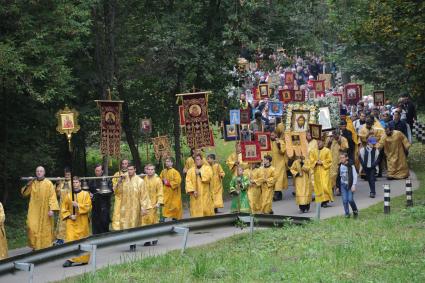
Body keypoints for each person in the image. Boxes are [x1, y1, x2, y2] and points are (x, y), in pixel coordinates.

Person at [21, 166, 59, 250]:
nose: (39, 172)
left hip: (45, 210)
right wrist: (28, 183)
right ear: (35, 173)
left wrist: (52, 209)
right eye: (37, 171)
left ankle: (44, 248)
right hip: (34, 210)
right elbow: (24, 193)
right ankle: (35, 246)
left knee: (45, 229)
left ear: (44, 173)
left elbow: (52, 197)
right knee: (31, 227)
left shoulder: (48, 183)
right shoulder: (33, 183)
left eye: (41, 171)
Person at [62, 177, 92, 267]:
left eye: (76, 182)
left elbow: (89, 206)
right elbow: (63, 209)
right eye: (73, 182)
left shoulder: (85, 194)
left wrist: (78, 205)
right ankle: (70, 259)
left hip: (82, 221)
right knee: (70, 239)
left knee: (83, 239)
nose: (75, 184)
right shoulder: (68, 196)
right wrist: (70, 215)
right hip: (71, 221)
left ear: (80, 183)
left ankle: (84, 259)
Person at [113, 163, 151, 230]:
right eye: (128, 170)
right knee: (123, 225)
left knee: (134, 225)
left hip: (135, 208)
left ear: (135, 170)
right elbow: (118, 193)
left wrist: (143, 207)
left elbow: (144, 196)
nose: (129, 171)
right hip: (124, 207)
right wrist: (119, 182)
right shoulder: (123, 180)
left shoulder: (140, 181)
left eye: (131, 169)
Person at [88, 164, 111, 234]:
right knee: (95, 226)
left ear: (102, 171)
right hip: (95, 206)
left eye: (99, 170)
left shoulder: (107, 180)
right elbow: (88, 190)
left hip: (104, 206)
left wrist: (101, 192)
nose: (97, 172)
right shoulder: (92, 180)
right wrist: (89, 194)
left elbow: (111, 191)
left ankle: (105, 242)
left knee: (104, 225)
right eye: (96, 171)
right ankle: (96, 242)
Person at [310, 140, 333, 207]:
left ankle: (325, 201)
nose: (318, 144)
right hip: (317, 171)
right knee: (318, 187)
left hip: (324, 171)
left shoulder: (327, 150)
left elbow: (330, 160)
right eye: (317, 143)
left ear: (323, 142)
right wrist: (316, 162)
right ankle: (320, 201)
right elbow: (311, 159)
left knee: (325, 186)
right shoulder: (313, 151)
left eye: (320, 142)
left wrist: (322, 162)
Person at [336, 152, 359, 218]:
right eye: (340, 158)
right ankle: (347, 213)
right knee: (345, 200)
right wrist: (337, 186)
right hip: (343, 185)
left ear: (346, 158)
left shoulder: (351, 165)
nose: (341, 159)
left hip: (350, 185)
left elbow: (355, 175)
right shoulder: (340, 165)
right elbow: (338, 176)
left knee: (350, 199)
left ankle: (355, 211)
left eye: (343, 158)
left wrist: (354, 185)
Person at [326, 131, 348, 195]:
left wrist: (339, 142)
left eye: (335, 135)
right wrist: (329, 142)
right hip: (331, 161)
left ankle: (339, 189)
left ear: (339, 134)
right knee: (331, 175)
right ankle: (331, 190)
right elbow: (325, 148)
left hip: (340, 160)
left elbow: (345, 150)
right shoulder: (330, 139)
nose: (334, 137)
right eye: (333, 135)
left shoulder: (343, 139)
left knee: (339, 176)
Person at [55, 167, 72, 245]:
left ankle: (69, 239)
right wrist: (58, 183)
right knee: (61, 223)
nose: (67, 175)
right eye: (66, 174)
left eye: (69, 174)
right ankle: (60, 239)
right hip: (62, 205)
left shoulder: (74, 182)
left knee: (69, 223)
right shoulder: (61, 182)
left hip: (71, 206)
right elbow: (57, 194)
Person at [111, 159, 129, 230]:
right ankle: (117, 230)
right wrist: (119, 181)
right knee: (117, 214)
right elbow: (113, 188)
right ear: (121, 165)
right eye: (123, 164)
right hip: (119, 198)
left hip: (128, 198)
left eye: (126, 164)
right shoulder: (116, 174)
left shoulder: (131, 173)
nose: (124, 165)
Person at [270, 131, 288, 201]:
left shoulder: (281, 142)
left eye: (273, 135)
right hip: (272, 164)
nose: (272, 136)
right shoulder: (268, 143)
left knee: (278, 179)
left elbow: (283, 151)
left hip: (280, 163)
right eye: (271, 135)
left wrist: (278, 145)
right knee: (273, 178)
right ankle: (278, 193)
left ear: (276, 135)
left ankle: (277, 194)